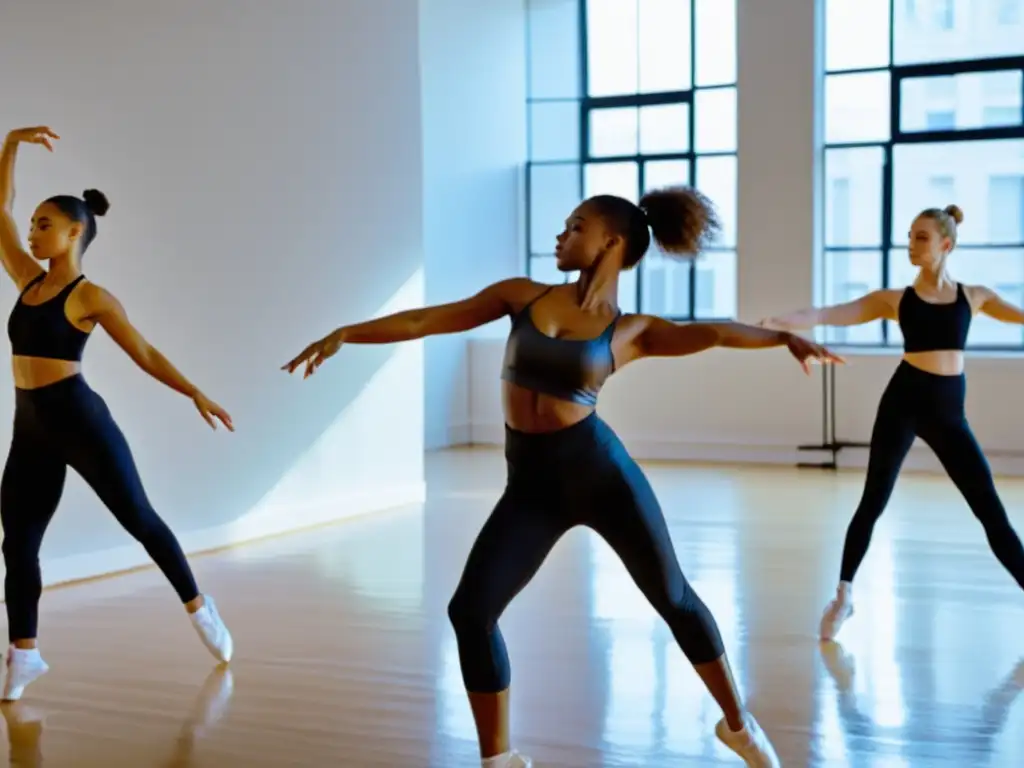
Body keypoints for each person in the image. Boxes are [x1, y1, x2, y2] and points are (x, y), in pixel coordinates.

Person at [285, 184, 842, 768]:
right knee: (470, 613)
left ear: (611, 241)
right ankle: (498, 760)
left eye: (575, 226)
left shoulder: (632, 331)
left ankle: (738, 724)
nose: (560, 234)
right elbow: (429, 317)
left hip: (599, 473)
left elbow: (718, 331)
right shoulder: (520, 296)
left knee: (673, 598)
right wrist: (348, 332)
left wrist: (782, 338)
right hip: (530, 484)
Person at [0, 126, 234, 701]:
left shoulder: (90, 297)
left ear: (75, 231)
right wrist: (9, 143)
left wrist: (195, 392)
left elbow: (145, 352)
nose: (31, 233)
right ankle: (24, 654)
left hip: (81, 422)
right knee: (17, 543)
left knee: (140, 519)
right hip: (29, 425)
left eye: (44, 224)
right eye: (31, 224)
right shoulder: (25, 281)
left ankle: (200, 607)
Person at [761, 204, 1024, 642]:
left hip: (948, 415)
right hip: (902, 403)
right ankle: (843, 597)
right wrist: (779, 324)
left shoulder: (973, 297)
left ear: (946, 244)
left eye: (921, 238)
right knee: (873, 501)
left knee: (990, 510)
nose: (911, 245)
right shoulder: (895, 299)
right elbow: (828, 313)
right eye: (909, 236)